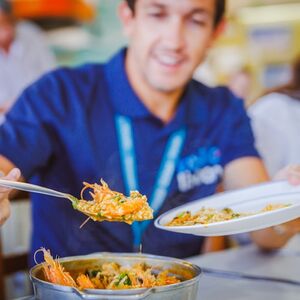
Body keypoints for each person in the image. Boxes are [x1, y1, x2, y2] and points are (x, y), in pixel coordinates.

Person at [0, 0, 299, 262]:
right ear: (128, 18)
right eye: (157, 14)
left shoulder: (222, 109)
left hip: (177, 290)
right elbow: (5, 164)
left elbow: (263, 229)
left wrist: (287, 202)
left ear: (215, 32)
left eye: (195, 20)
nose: (174, 41)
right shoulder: (59, 95)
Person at [0, 0, 56, 122]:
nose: (4, 30)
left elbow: (51, 77)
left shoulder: (30, 34)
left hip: (40, 116)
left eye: (6, 23)